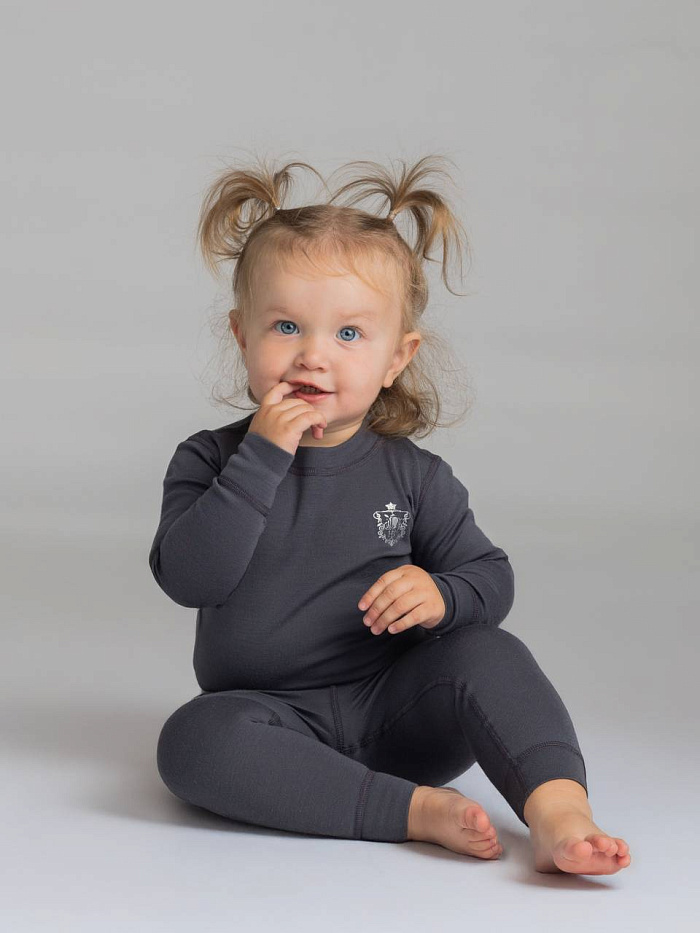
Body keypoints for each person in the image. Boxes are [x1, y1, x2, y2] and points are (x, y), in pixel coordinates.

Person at [149, 154, 631, 875]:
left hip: (401, 714)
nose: (313, 356)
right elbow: (191, 578)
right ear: (242, 335)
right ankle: (409, 811)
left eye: (348, 334)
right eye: (286, 326)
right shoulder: (210, 459)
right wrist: (261, 457)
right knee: (191, 742)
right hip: (271, 720)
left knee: (491, 652)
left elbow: (490, 576)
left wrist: (443, 594)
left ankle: (559, 809)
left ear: (397, 358)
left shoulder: (414, 476)